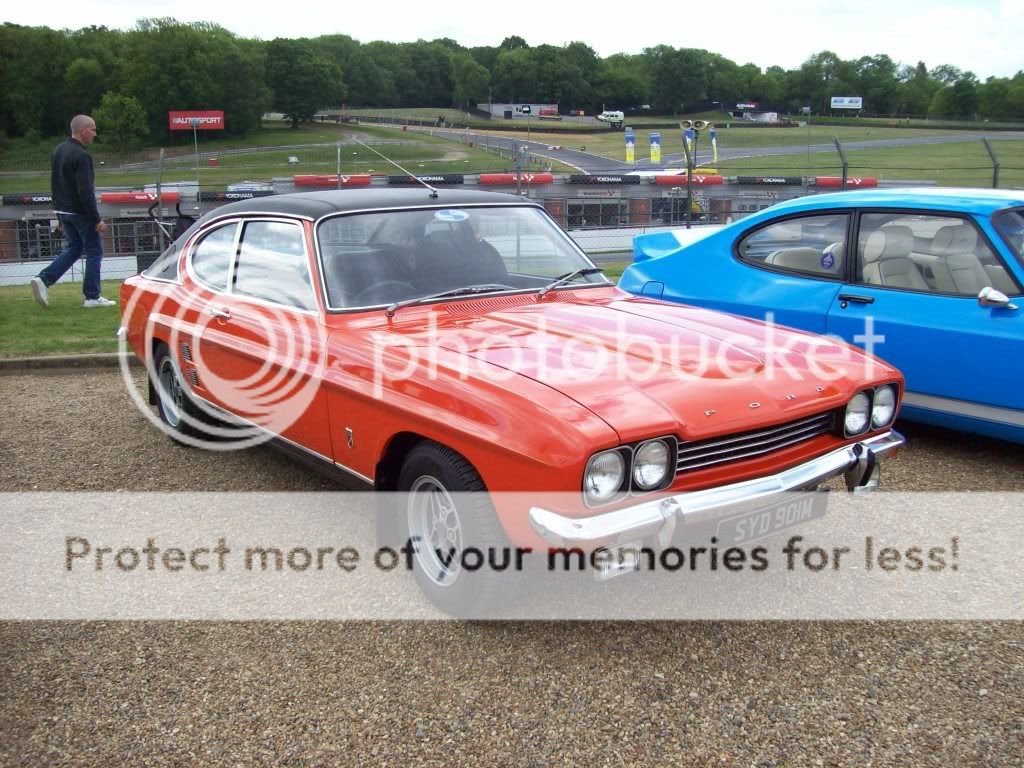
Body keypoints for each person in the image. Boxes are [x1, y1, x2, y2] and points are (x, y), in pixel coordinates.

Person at [30, 114, 114, 308]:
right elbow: (85, 191)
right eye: (93, 129)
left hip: (64, 211)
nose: (95, 134)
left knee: (74, 248)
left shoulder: (59, 150)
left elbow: (55, 183)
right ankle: (92, 296)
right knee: (94, 251)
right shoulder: (82, 156)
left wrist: (58, 212)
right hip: (80, 213)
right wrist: (96, 219)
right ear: (83, 130)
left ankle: (44, 279)